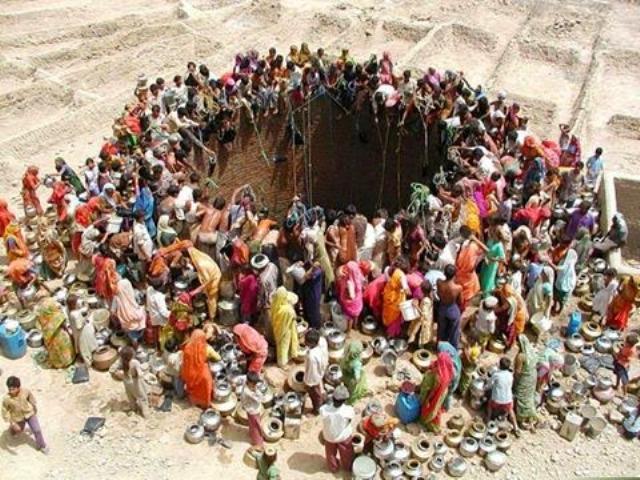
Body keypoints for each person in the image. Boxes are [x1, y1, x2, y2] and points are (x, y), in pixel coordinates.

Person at [2, 376, 48, 453]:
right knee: (18, 430)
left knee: (37, 430)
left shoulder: (25, 391)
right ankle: (12, 430)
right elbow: (5, 411)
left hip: (29, 414)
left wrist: (34, 406)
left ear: (18, 387)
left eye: (13, 389)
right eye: (9, 389)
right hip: (17, 417)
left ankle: (42, 446)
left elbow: (30, 398)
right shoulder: (7, 399)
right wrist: (12, 423)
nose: (11, 391)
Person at [319, 385, 355, 473]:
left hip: (329, 437)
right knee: (346, 453)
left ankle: (333, 468)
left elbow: (324, 411)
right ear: (344, 400)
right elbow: (350, 420)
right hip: (343, 437)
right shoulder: (348, 410)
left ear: (333, 398)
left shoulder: (323, 409)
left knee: (330, 454)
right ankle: (347, 467)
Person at [419, 351, 454, 432]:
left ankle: (430, 424)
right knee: (437, 407)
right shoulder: (447, 369)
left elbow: (428, 390)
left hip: (436, 393)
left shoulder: (437, 376)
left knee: (431, 408)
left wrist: (424, 400)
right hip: (443, 391)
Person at [36, 298, 76, 369]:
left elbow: (40, 326)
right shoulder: (56, 316)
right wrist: (69, 333)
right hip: (60, 336)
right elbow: (64, 325)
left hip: (50, 341)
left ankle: (58, 363)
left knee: (55, 350)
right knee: (64, 345)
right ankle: (69, 361)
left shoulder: (43, 316)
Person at [181, 329, 214, 408]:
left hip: (189, 371)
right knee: (207, 384)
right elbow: (216, 357)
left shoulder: (187, 347)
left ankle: (195, 400)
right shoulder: (205, 348)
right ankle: (205, 403)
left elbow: (185, 361)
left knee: (193, 387)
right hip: (202, 371)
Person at [455, 226, 486, 310]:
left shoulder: (463, 246)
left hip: (460, 277)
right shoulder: (473, 247)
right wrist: (475, 239)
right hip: (469, 280)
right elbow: (487, 250)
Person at [382, 256, 412, 337]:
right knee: (395, 318)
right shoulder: (401, 275)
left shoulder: (387, 269)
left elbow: (387, 280)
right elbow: (406, 290)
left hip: (387, 294)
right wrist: (410, 292)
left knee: (387, 313)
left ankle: (386, 327)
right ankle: (390, 334)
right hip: (396, 299)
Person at [111, 277, 146, 347]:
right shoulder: (135, 293)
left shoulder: (116, 298)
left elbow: (112, 312)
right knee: (140, 333)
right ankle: (142, 341)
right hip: (139, 319)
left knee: (133, 338)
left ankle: (136, 347)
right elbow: (141, 303)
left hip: (128, 323)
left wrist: (120, 316)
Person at [270, 286, 300, 367]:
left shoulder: (275, 304)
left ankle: (283, 360)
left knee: (280, 346)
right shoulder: (287, 310)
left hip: (277, 329)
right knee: (284, 347)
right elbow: (294, 316)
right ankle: (282, 364)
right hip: (285, 331)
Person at [487, 357, 519, 433]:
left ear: (500, 365)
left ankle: (488, 421)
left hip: (496, 401)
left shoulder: (496, 375)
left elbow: (489, 385)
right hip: (508, 400)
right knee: (511, 411)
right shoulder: (510, 375)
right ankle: (516, 428)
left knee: (489, 405)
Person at [436, 264, 463, 348]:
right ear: (455, 275)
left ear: (444, 273)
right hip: (452, 309)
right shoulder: (458, 288)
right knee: (454, 332)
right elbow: (461, 301)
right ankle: (452, 349)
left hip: (442, 308)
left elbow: (438, 293)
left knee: (441, 330)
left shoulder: (439, 282)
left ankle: (440, 347)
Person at [67, 294, 97, 366]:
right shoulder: (76, 314)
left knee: (81, 347)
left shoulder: (70, 312)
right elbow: (79, 326)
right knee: (85, 347)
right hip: (82, 333)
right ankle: (89, 361)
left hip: (76, 333)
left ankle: (86, 358)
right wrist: (85, 319)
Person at [119, 346, 150, 418]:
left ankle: (133, 408)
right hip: (135, 381)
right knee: (142, 397)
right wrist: (144, 373)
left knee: (131, 396)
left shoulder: (122, 361)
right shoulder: (135, 362)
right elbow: (140, 373)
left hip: (126, 381)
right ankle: (145, 413)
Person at [514, 335, 537, 426]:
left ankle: (521, 417)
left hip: (525, 378)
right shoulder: (531, 351)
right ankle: (530, 415)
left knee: (521, 396)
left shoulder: (521, 356)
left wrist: (514, 381)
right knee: (529, 396)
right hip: (532, 377)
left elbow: (517, 372)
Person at [303, 329, 328, 414]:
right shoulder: (322, 342)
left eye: (306, 341)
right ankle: (322, 398)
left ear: (312, 343)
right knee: (319, 390)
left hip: (314, 380)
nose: (304, 342)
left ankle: (316, 410)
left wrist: (308, 384)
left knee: (315, 396)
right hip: (320, 371)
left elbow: (312, 373)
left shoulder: (312, 357)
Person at [335, 260, 364, 330]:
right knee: (356, 316)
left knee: (350, 318)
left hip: (350, 305)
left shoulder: (348, 282)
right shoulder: (359, 275)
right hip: (358, 303)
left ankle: (349, 330)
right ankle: (355, 326)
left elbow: (350, 295)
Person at [241, 371, 265, 450]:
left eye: (255, 383)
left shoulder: (246, 384)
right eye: (254, 383)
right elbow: (260, 399)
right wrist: (256, 391)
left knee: (252, 424)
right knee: (256, 426)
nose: (255, 385)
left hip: (250, 409)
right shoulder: (248, 392)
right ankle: (258, 442)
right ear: (249, 382)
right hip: (253, 410)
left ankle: (252, 434)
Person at [341, 340, 368, 405]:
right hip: (351, 379)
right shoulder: (356, 363)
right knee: (355, 390)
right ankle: (350, 402)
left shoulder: (346, 354)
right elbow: (357, 378)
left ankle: (346, 388)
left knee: (346, 385)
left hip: (345, 375)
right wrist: (357, 382)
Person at [408, 280, 434, 347]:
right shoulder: (430, 297)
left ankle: (420, 348)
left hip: (423, 322)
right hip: (427, 320)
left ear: (423, 290)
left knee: (420, 336)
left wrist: (416, 306)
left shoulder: (425, 300)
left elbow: (423, 314)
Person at [553, 249, 577, 313]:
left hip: (564, 285)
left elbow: (557, 268)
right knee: (555, 297)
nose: (564, 253)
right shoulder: (563, 260)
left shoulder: (569, 264)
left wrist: (549, 261)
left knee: (561, 300)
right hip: (559, 281)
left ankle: (560, 310)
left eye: (566, 253)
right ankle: (554, 306)